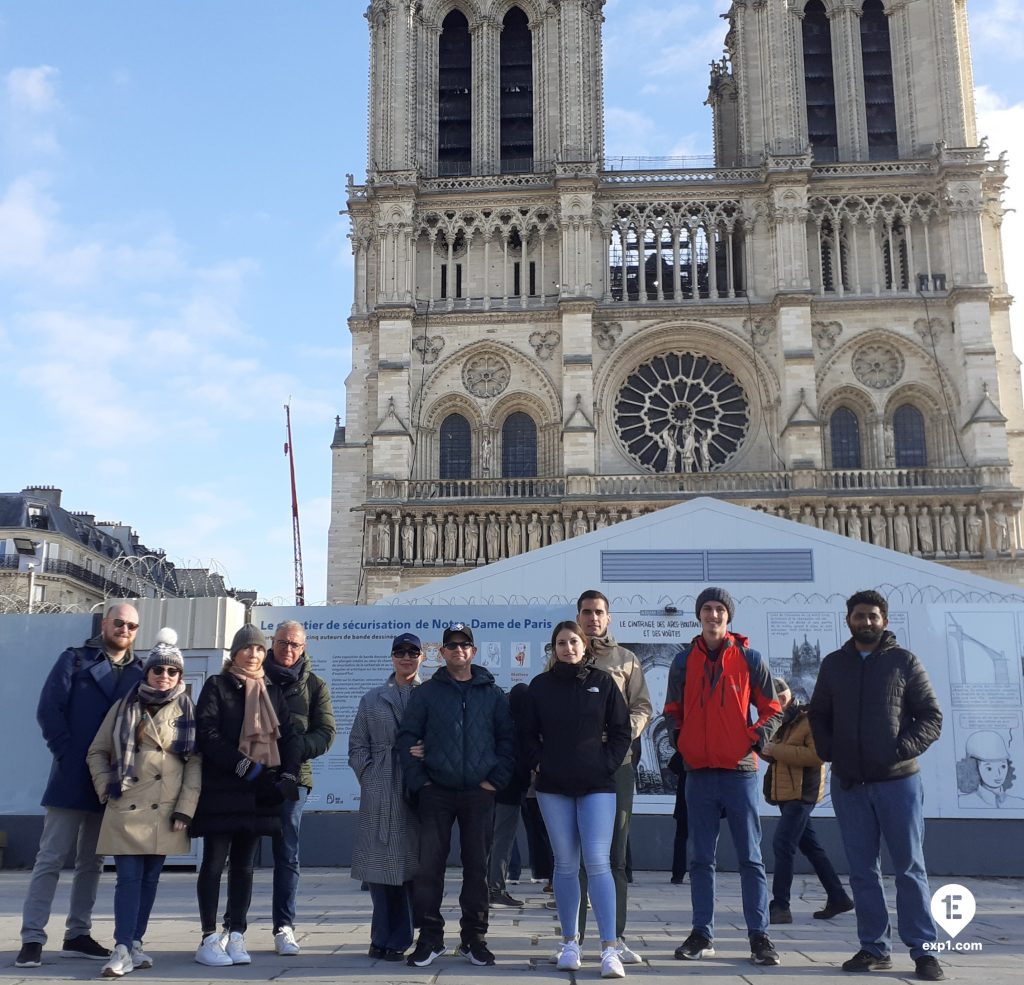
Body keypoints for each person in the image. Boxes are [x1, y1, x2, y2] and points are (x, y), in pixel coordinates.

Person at [809, 590, 945, 982]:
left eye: (872, 616)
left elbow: (931, 717)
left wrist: (898, 750)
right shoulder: (834, 664)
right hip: (850, 784)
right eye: (859, 616)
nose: (866, 622)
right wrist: (830, 750)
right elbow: (818, 715)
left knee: (909, 868)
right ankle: (874, 947)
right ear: (848, 620)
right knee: (862, 871)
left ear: (884, 619)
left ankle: (924, 951)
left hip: (898, 782)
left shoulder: (904, 662)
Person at [16, 603, 145, 969]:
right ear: (104, 624)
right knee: (51, 857)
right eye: (119, 622)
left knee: (93, 861)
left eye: (132, 626)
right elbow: (49, 709)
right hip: (72, 774)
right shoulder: (75, 659)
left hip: (111, 778)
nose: (124, 630)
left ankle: (77, 934)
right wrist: (67, 754)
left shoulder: (139, 671)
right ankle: (32, 937)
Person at [663, 586, 783, 966]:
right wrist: (682, 741)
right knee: (700, 858)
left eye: (719, 609)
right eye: (707, 609)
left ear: (728, 616)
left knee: (750, 857)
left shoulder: (749, 658)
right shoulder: (683, 661)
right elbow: (672, 709)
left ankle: (759, 936)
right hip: (699, 772)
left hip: (739, 771)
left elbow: (772, 708)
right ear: (699, 615)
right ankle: (702, 934)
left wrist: (754, 738)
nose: (713, 615)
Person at [396, 623, 515, 969]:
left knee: (477, 868)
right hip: (437, 792)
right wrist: (421, 782)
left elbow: (508, 741)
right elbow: (407, 738)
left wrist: (495, 781)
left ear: (473, 652)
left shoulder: (493, 694)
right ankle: (430, 938)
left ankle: (474, 939)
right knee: (429, 868)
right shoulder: (427, 693)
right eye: (452, 645)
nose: (458, 650)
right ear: (442, 652)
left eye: (464, 645)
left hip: (479, 793)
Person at [86, 628, 201, 978]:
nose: (165, 676)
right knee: (128, 879)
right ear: (147, 671)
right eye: (158, 669)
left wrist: (185, 808)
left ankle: (136, 942)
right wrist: (106, 787)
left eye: (172, 670)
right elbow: (97, 751)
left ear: (179, 675)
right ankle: (121, 946)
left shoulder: (187, 708)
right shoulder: (124, 706)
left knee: (150, 879)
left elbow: (195, 762)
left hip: (166, 809)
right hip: (127, 805)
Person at [523, 621, 632, 979]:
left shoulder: (603, 682)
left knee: (598, 862)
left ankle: (609, 948)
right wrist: (539, 762)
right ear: (553, 648)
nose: (568, 648)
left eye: (573, 642)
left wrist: (606, 763)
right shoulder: (540, 686)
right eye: (561, 643)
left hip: (597, 785)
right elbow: (526, 733)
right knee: (566, 864)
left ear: (584, 645)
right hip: (553, 786)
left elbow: (622, 730)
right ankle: (570, 943)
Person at [191, 624, 301, 967]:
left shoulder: (272, 691)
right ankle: (209, 937)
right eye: (247, 648)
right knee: (214, 862)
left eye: (258, 649)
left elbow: (290, 736)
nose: (253, 654)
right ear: (235, 652)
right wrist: (243, 765)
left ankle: (236, 932)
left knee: (244, 866)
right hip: (223, 788)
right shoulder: (217, 685)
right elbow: (207, 733)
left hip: (257, 791)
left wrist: (288, 774)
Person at [575, 590, 652, 962]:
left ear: (608, 618)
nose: (593, 618)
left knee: (615, 856)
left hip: (617, 764)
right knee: (575, 858)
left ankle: (615, 937)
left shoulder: (626, 660)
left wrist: (622, 734)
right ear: (578, 616)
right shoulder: (565, 654)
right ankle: (573, 938)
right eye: (587, 612)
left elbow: (642, 707)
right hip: (575, 765)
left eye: (599, 612)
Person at [349, 633, 426, 960]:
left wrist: (427, 754)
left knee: (407, 868)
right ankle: (380, 935)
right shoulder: (372, 698)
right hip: (380, 786)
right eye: (400, 652)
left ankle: (400, 937)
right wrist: (369, 776)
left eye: (413, 651)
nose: (406, 657)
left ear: (422, 656)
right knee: (378, 869)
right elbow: (356, 745)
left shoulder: (430, 694)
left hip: (414, 786)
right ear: (392, 657)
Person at [263, 621, 336, 955]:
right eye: (283, 642)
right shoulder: (255, 678)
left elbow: (326, 733)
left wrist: (294, 750)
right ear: (272, 642)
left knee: (287, 853)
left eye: (294, 644)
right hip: (253, 775)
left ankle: (284, 926)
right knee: (242, 852)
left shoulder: (315, 685)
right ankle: (234, 928)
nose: (288, 649)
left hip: (295, 779)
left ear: (304, 647)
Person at [761, 676, 852, 925]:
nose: (768, 705)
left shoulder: (807, 719)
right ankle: (838, 897)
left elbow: (817, 755)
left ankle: (781, 906)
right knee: (811, 847)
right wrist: (765, 750)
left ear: (784, 698)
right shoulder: (782, 721)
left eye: (772, 700)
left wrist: (775, 750)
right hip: (787, 793)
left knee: (783, 844)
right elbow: (778, 754)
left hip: (802, 794)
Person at [487, 682, 530, 909]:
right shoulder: (521, 726)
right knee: (503, 841)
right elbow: (521, 761)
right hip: (510, 790)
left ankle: (484, 889)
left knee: (488, 841)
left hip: (489, 789)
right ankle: (496, 890)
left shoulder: (498, 722)